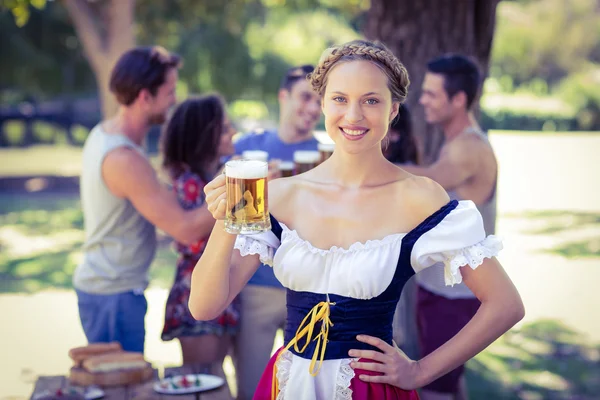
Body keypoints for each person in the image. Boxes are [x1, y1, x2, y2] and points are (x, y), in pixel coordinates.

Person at [190, 40, 524, 400]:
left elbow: (505, 305)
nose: (353, 115)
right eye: (339, 99)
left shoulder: (419, 197)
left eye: (371, 100)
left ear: (393, 109)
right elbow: (205, 306)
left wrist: (419, 370)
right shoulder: (283, 195)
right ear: (322, 104)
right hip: (289, 385)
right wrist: (226, 222)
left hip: (372, 390)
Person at [73, 46, 215, 353]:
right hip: (113, 294)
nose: (174, 99)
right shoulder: (123, 158)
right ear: (144, 97)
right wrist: (238, 191)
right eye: (169, 92)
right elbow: (185, 228)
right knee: (121, 387)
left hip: (112, 289)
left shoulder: (105, 134)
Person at [401, 54, 498, 400]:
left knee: (434, 388)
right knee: (451, 384)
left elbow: (422, 182)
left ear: (458, 100)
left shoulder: (468, 148)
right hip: (442, 287)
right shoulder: (454, 142)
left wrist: (368, 163)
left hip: (454, 293)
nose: (422, 100)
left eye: (431, 94)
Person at [231, 65, 322, 399]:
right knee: (252, 387)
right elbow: (230, 217)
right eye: (306, 97)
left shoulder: (328, 155)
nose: (313, 108)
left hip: (307, 291)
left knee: (303, 389)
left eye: (320, 101)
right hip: (254, 287)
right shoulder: (249, 146)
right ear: (283, 97)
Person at [160, 95, 238, 384]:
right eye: (225, 128)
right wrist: (232, 183)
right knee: (201, 380)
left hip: (224, 284)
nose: (232, 134)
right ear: (205, 135)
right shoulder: (189, 182)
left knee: (217, 376)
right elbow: (192, 240)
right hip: (197, 286)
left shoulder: (214, 172)